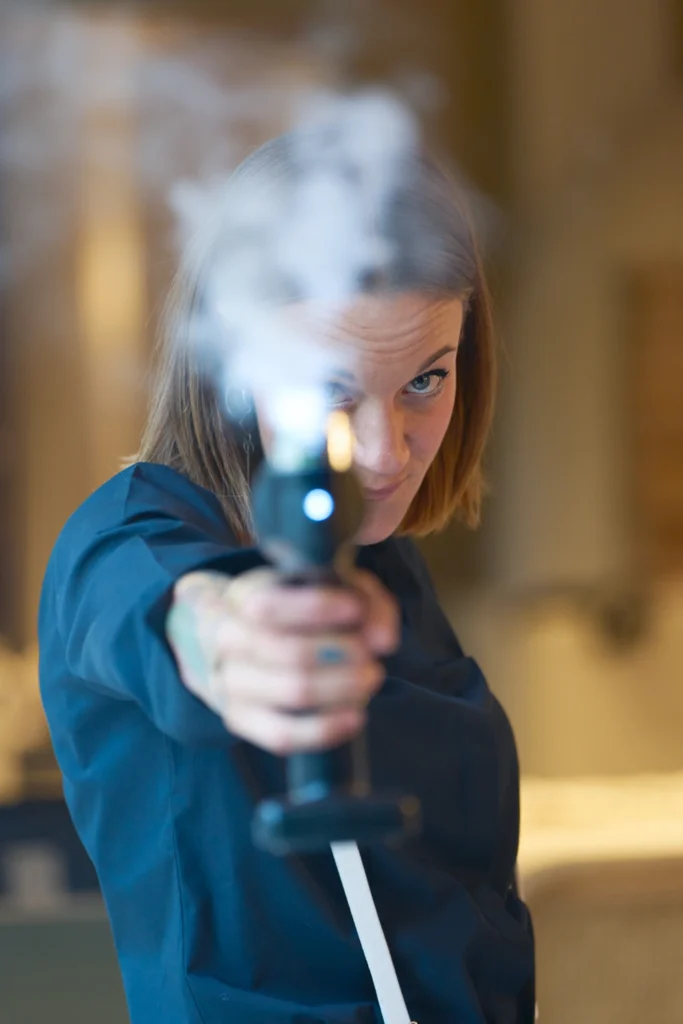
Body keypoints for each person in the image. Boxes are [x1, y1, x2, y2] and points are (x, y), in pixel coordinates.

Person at [39, 129, 535, 1023]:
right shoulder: (127, 539)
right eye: (332, 388)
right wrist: (228, 634)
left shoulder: (388, 569)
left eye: (425, 380)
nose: (385, 451)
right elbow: (175, 617)